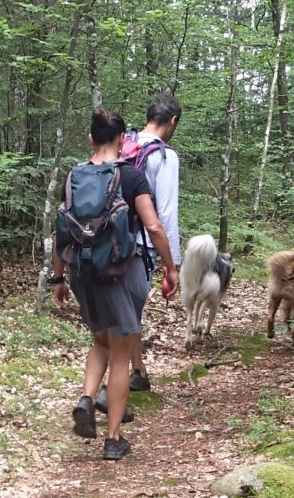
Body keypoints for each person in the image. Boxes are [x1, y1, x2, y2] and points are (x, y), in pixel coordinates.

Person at [52, 107, 180, 460]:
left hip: (83, 272)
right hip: (123, 272)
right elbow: (154, 228)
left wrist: (58, 277)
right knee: (121, 355)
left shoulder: (73, 177)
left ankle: (87, 398)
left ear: (91, 138)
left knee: (100, 341)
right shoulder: (131, 177)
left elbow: (61, 232)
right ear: (123, 140)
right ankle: (113, 439)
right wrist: (171, 269)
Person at [128, 95, 182, 391]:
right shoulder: (164, 156)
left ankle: (137, 370)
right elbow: (165, 214)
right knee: (129, 313)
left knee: (121, 313)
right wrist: (171, 263)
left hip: (102, 240)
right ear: (172, 121)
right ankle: (115, 386)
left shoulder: (123, 143)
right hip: (139, 245)